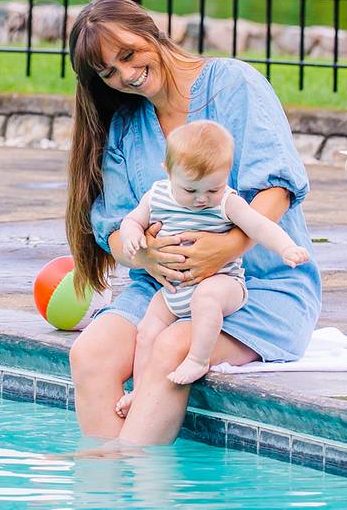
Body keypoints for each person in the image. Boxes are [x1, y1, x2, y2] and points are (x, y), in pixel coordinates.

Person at [64, 0, 321, 447]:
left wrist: (226, 248)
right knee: (90, 354)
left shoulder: (233, 85)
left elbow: (277, 188)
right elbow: (114, 230)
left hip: (258, 288)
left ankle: (129, 471)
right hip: (164, 291)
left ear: (150, 31)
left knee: (171, 347)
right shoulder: (126, 125)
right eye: (109, 72)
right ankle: (105, 486)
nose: (126, 74)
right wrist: (146, 257)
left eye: (128, 54)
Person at [112, 120, 310, 411]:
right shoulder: (156, 196)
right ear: (168, 172)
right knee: (146, 331)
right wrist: (131, 235)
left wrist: (286, 247)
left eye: (213, 189)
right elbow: (132, 220)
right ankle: (140, 391)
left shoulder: (226, 202)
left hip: (223, 284)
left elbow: (259, 225)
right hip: (175, 290)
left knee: (206, 298)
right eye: (190, 190)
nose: (202, 199)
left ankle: (198, 359)